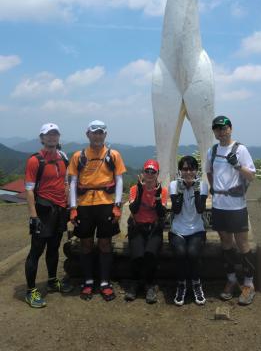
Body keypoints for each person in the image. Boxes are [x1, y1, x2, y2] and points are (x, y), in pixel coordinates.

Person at [68, 120, 126, 301]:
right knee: (85, 243)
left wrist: (117, 205)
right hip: (85, 204)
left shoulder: (113, 154)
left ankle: (104, 282)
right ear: (88, 134)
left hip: (106, 203)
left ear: (105, 135)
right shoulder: (78, 156)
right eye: (94, 132)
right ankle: (88, 281)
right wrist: (73, 208)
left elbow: (119, 180)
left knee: (104, 243)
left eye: (101, 132)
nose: (98, 135)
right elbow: (73, 182)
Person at [206, 115, 256, 305]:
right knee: (225, 242)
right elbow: (209, 171)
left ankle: (249, 284)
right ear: (214, 131)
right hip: (219, 205)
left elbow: (251, 176)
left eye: (224, 127)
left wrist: (237, 165)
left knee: (242, 244)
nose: (221, 130)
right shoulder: (212, 150)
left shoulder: (241, 149)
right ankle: (232, 280)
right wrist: (215, 190)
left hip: (237, 206)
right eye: (217, 128)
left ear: (230, 128)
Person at [24, 123, 72, 308]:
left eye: (55, 134)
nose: (52, 138)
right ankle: (30, 291)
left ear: (58, 137)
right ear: (42, 138)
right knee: (36, 251)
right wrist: (33, 217)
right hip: (43, 211)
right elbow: (29, 190)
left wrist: (67, 205)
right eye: (48, 135)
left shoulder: (63, 157)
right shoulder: (35, 160)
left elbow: (66, 182)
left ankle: (52, 281)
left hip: (60, 210)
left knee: (53, 248)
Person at [125, 159, 167, 304]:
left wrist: (157, 196)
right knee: (137, 255)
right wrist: (141, 190)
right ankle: (135, 282)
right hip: (137, 227)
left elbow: (161, 214)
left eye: (152, 172)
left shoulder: (162, 190)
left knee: (150, 254)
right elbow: (134, 209)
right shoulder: (134, 189)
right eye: (147, 171)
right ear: (142, 173)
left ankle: (150, 284)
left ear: (157, 174)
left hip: (154, 228)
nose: (149, 175)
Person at [169, 155, 208, 306]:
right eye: (184, 169)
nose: (188, 172)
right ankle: (181, 284)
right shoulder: (174, 185)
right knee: (180, 252)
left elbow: (200, 209)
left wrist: (196, 189)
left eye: (191, 169)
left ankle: (196, 283)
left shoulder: (202, 185)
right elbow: (177, 210)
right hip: (178, 230)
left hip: (197, 229)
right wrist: (181, 189)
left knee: (192, 253)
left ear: (196, 171)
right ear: (180, 171)